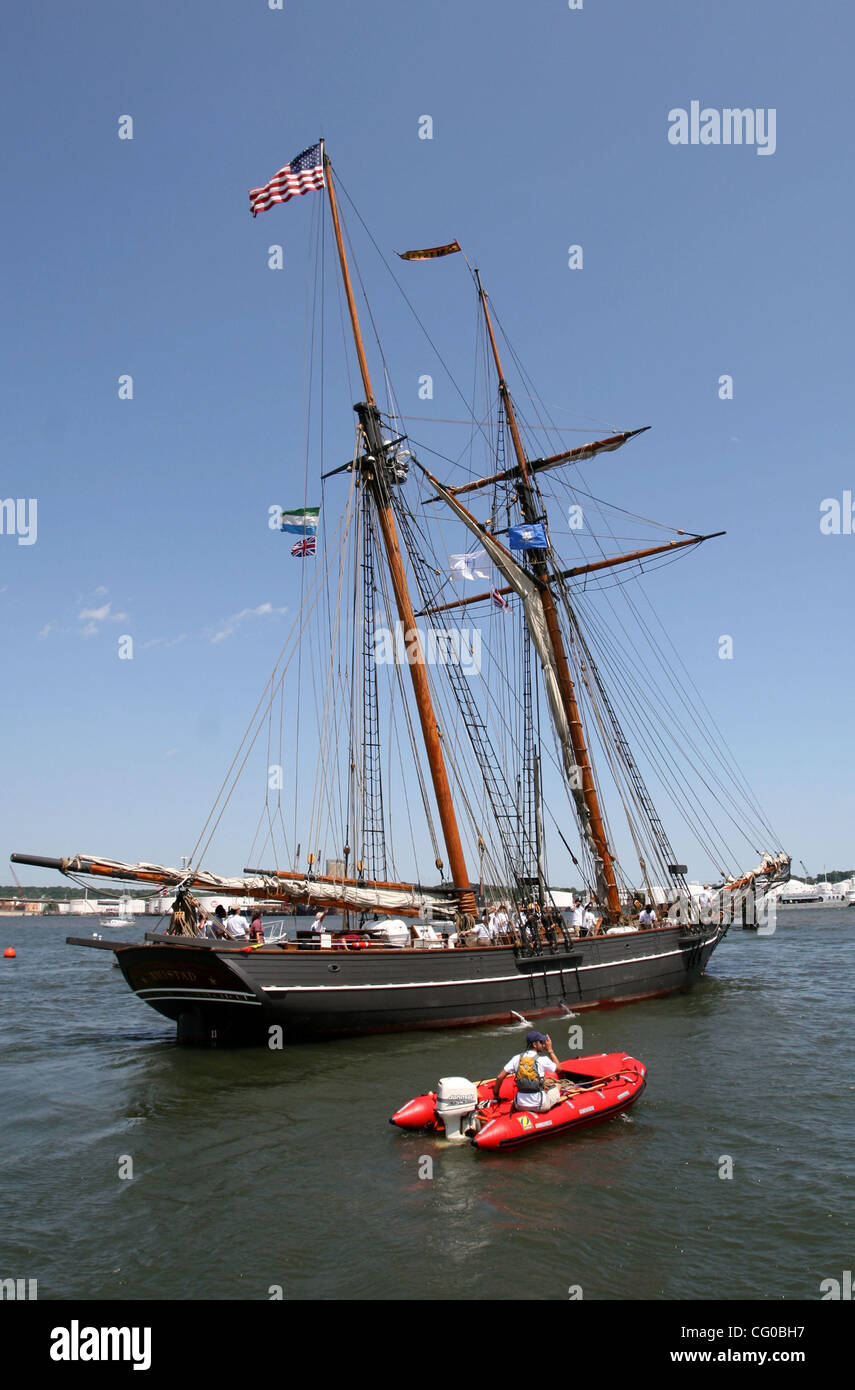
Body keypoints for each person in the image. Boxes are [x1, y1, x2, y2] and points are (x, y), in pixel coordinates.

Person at [494, 1031, 562, 1113]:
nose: (543, 1045)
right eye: (541, 1042)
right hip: (540, 1105)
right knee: (558, 1085)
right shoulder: (543, 1059)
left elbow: (500, 1077)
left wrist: (496, 1096)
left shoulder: (516, 1058)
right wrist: (550, 1050)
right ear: (534, 1044)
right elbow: (559, 1069)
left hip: (520, 1105)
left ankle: (511, 1116)